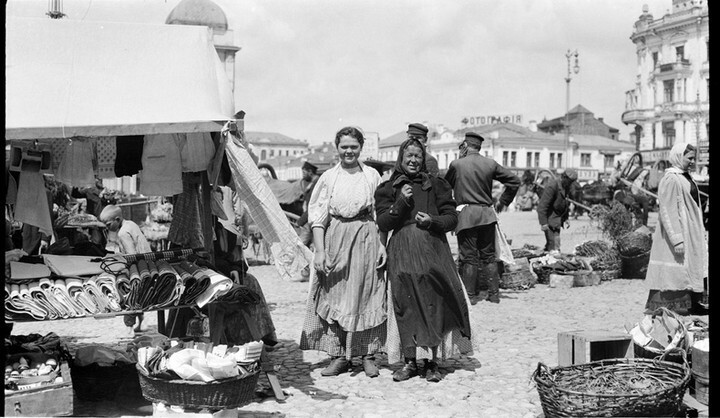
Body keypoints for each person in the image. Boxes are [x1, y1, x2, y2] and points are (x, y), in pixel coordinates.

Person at [375, 137, 472, 382]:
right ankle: (409, 362)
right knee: (405, 305)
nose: (413, 160)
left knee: (434, 302)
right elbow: (384, 222)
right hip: (402, 252)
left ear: (424, 158)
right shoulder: (388, 188)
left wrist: (433, 221)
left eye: (418, 156)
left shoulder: (437, 185)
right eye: (408, 156)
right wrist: (401, 202)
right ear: (400, 158)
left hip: (432, 250)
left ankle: (431, 362)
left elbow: (452, 218)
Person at [299, 126, 387, 378]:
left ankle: (367, 355)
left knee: (367, 293)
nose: (349, 151)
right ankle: (338, 356)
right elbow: (317, 217)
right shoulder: (328, 178)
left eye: (353, 147)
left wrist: (381, 244)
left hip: (366, 237)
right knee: (334, 294)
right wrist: (319, 251)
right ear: (337, 148)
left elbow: (379, 214)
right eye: (344, 147)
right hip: (336, 236)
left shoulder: (371, 176)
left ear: (361, 148)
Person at [445, 132, 520, 304]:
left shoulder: (457, 164)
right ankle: (494, 295)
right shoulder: (490, 163)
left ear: (465, 146)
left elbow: (444, 187)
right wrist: (503, 202)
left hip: (466, 216)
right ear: (479, 147)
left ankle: (470, 297)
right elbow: (514, 181)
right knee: (489, 256)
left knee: (469, 258)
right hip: (487, 215)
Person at [644, 143, 708, 315]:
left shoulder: (685, 176)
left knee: (691, 266)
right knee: (676, 270)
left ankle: (692, 302)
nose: (693, 162)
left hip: (692, 231)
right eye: (690, 158)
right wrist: (676, 238)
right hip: (679, 232)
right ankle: (672, 305)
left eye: (694, 158)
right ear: (679, 157)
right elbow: (668, 209)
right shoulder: (671, 179)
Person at [99, 204, 152, 333]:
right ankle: (141, 322)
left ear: (117, 220)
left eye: (108, 224)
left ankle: (129, 328)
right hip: (146, 264)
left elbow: (131, 256)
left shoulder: (123, 233)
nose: (107, 228)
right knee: (139, 296)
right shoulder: (130, 224)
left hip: (137, 267)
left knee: (128, 294)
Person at [537, 168, 578, 253]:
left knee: (552, 245)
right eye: (570, 182)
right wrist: (543, 223)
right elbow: (542, 206)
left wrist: (566, 218)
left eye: (572, 182)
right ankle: (550, 261)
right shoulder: (552, 186)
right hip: (549, 221)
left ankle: (548, 258)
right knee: (554, 248)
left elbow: (565, 202)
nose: (570, 184)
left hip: (557, 221)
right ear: (564, 177)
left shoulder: (565, 186)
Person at [296, 161, 320, 248]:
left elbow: (312, 206)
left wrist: (300, 221)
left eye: (304, 172)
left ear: (310, 172)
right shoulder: (313, 184)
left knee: (300, 245)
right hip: (312, 219)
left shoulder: (316, 185)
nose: (302, 175)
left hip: (312, 220)